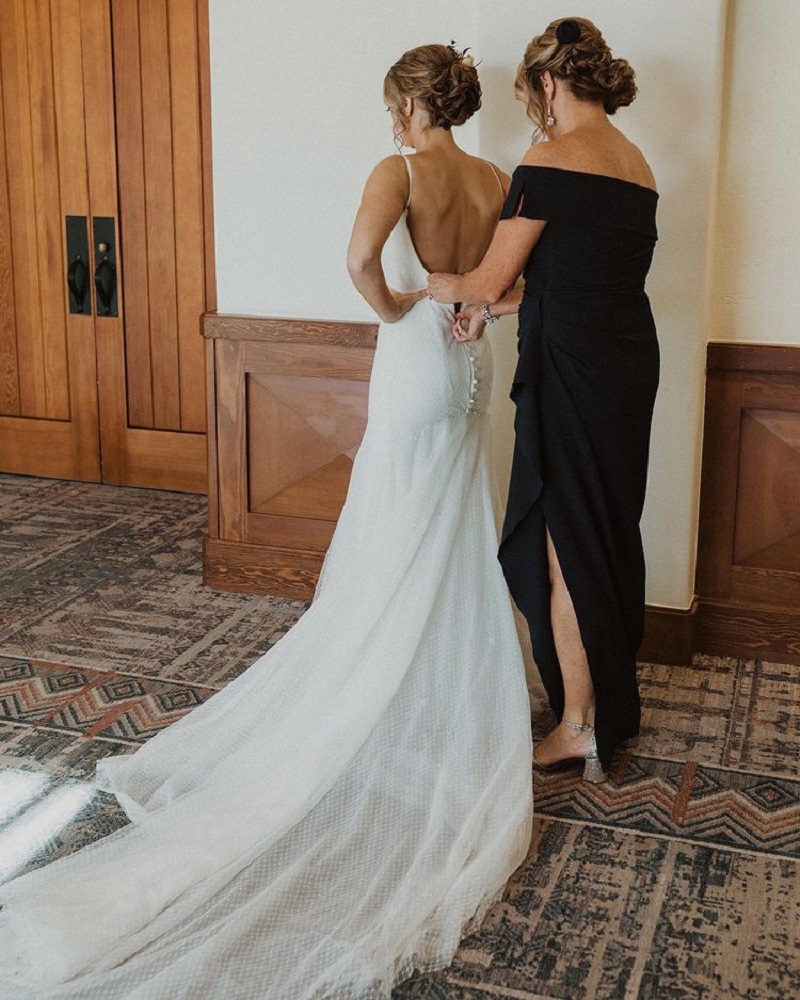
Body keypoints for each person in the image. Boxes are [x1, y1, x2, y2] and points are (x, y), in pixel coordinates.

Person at [0, 44, 533, 1000]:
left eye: (393, 103)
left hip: (417, 359)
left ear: (412, 104)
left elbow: (361, 262)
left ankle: (363, 696)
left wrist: (401, 306)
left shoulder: (400, 170)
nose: (392, 118)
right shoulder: (493, 177)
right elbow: (505, 282)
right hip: (470, 370)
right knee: (448, 534)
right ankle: (420, 706)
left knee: (389, 535)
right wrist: (469, 309)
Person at [428, 17, 659, 783]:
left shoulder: (548, 160)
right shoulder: (636, 164)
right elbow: (567, 283)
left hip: (568, 374)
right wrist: (492, 310)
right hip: (626, 366)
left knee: (566, 548)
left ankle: (578, 727)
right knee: (605, 533)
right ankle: (603, 707)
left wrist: (440, 286)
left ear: (549, 82)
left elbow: (490, 277)